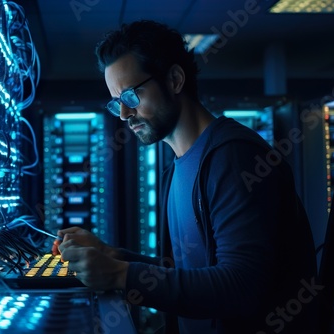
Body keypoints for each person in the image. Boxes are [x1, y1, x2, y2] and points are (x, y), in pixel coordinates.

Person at [52, 20, 318, 334]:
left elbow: (241, 287)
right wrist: (113, 256)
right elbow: (189, 273)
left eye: (131, 97)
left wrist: (120, 275)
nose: (124, 114)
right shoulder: (175, 169)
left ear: (175, 79)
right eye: (117, 103)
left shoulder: (235, 158)